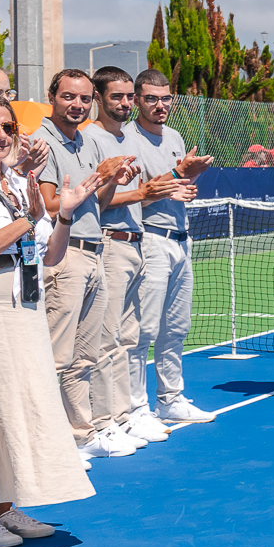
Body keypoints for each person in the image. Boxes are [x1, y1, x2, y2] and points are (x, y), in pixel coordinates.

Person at [0, 90, 100, 547]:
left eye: (8, 128)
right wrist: (25, 217)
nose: (0, 136)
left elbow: (50, 254)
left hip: (24, 301)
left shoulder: (18, 181)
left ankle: (3, 505)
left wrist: (62, 215)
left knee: (15, 404)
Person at [33, 69, 115, 459]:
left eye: (84, 99)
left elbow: (99, 200)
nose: (77, 105)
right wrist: (84, 191)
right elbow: (49, 206)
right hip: (63, 255)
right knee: (56, 356)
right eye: (69, 97)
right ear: (52, 96)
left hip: (95, 252)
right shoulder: (42, 143)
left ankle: (79, 434)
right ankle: (50, 444)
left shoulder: (86, 141)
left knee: (84, 356)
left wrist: (112, 177)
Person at [125, 71, 214, 424]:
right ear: (136, 100)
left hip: (181, 238)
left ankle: (170, 399)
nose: (160, 106)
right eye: (151, 99)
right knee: (144, 331)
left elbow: (176, 183)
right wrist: (178, 176)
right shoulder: (126, 139)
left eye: (165, 99)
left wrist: (187, 181)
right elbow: (134, 196)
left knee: (176, 327)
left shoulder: (174, 136)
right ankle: (135, 407)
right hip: (149, 239)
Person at [86, 67, 158, 447]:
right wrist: (145, 191)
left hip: (135, 243)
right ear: (99, 98)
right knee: (105, 339)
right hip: (110, 244)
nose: (126, 103)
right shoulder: (91, 139)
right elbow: (96, 199)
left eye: (130, 96)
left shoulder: (126, 137)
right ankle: (102, 422)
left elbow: (138, 192)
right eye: (117, 96)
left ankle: (124, 415)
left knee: (128, 338)